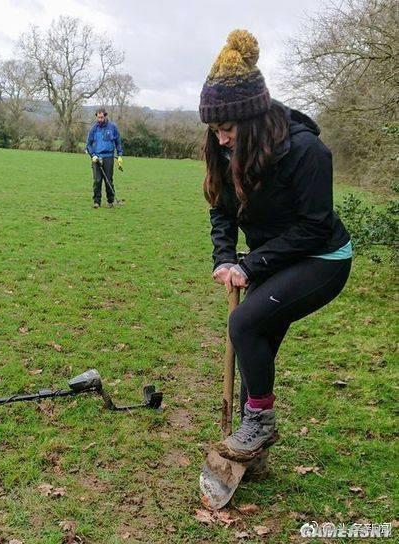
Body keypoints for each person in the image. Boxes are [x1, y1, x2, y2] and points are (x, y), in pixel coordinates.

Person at [199, 30, 352, 462]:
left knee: (245, 325)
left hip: (322, 258)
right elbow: (221, 209)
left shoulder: (307, 152)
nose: (221, 138)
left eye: (227, 128)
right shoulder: (223, 150)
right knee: (257, 342)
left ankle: (259, 425)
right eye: (214, 129)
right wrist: (226, 257)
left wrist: (253, 264)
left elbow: (314, 227)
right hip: (273, 257)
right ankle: (253, 455)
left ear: (252, 120)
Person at [86, 108, 123, 208]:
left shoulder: (112, 127)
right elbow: (88, 144)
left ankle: (110, 201)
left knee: (108, 180)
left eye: (101, 117)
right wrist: (92, 155)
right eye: (98, 117)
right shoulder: (94, 129)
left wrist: (119, 155)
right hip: (97, 158)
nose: (100, 119)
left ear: (105, 116)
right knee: (97, 180)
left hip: (108, 157)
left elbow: (118, 142)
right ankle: (96, 202)